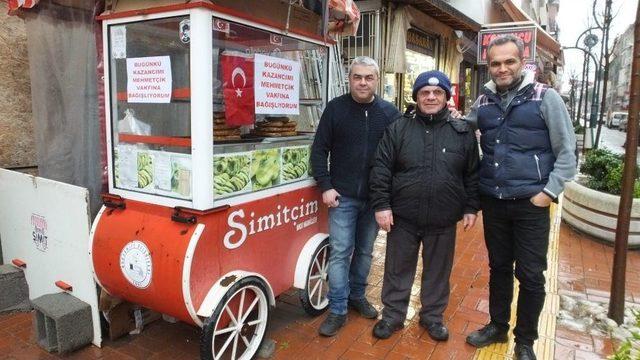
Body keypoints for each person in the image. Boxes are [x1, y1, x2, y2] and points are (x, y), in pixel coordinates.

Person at [464, 35, 576, 360]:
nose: (502, 68)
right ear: (489, 65)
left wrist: (548, 193)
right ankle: (497, 325)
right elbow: (459, 128)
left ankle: (525, 341)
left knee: (530, 274)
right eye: (495, 63)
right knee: (498, 267)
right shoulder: (483, 102)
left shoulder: (545, 97)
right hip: (494, 202)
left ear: (522, 60)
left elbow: (568, 153)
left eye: (509, 61)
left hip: (531, 204)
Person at [369, 70, 480, 340]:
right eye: (425, 93)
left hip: (443, 219)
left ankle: (432, 317)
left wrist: (470, 207)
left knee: (438, 272)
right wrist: (382, 205)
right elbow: (381, 167)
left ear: (446, 97)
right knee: (397, 268)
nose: (431, 97)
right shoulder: (399, 128)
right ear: (416, 97)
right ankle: (393, 315)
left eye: (437, 92)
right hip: (403, 217)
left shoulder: (462, 132)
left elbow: (473, 173)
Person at [310, 56, 401, 337]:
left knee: (364, 251)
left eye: (368, 77)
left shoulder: (390, 113)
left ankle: (357, 297)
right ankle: (337, 309)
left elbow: (399, 155)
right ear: (349, 79)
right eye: (357, 77)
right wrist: (326, 185)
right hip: (343, 197)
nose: (363, 82)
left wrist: (388, 196)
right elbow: (318, 150)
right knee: (340, 253)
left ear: (377, 79)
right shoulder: (335, 109)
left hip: (375, 200)